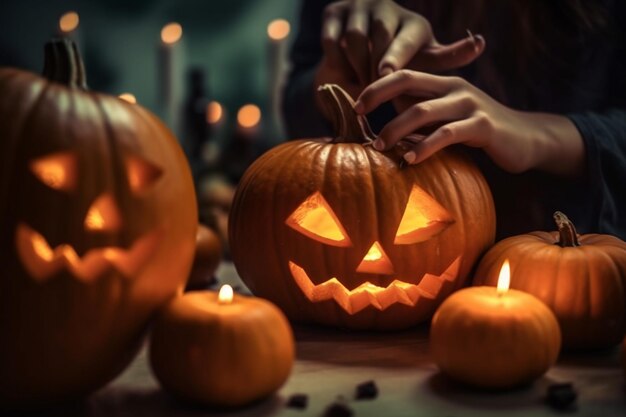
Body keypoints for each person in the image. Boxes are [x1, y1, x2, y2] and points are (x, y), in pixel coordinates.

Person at [282, 0, 626, 240]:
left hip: (577, 264)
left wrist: (539, 135)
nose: (373, 260)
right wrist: (339, 79)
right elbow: (296, 126)